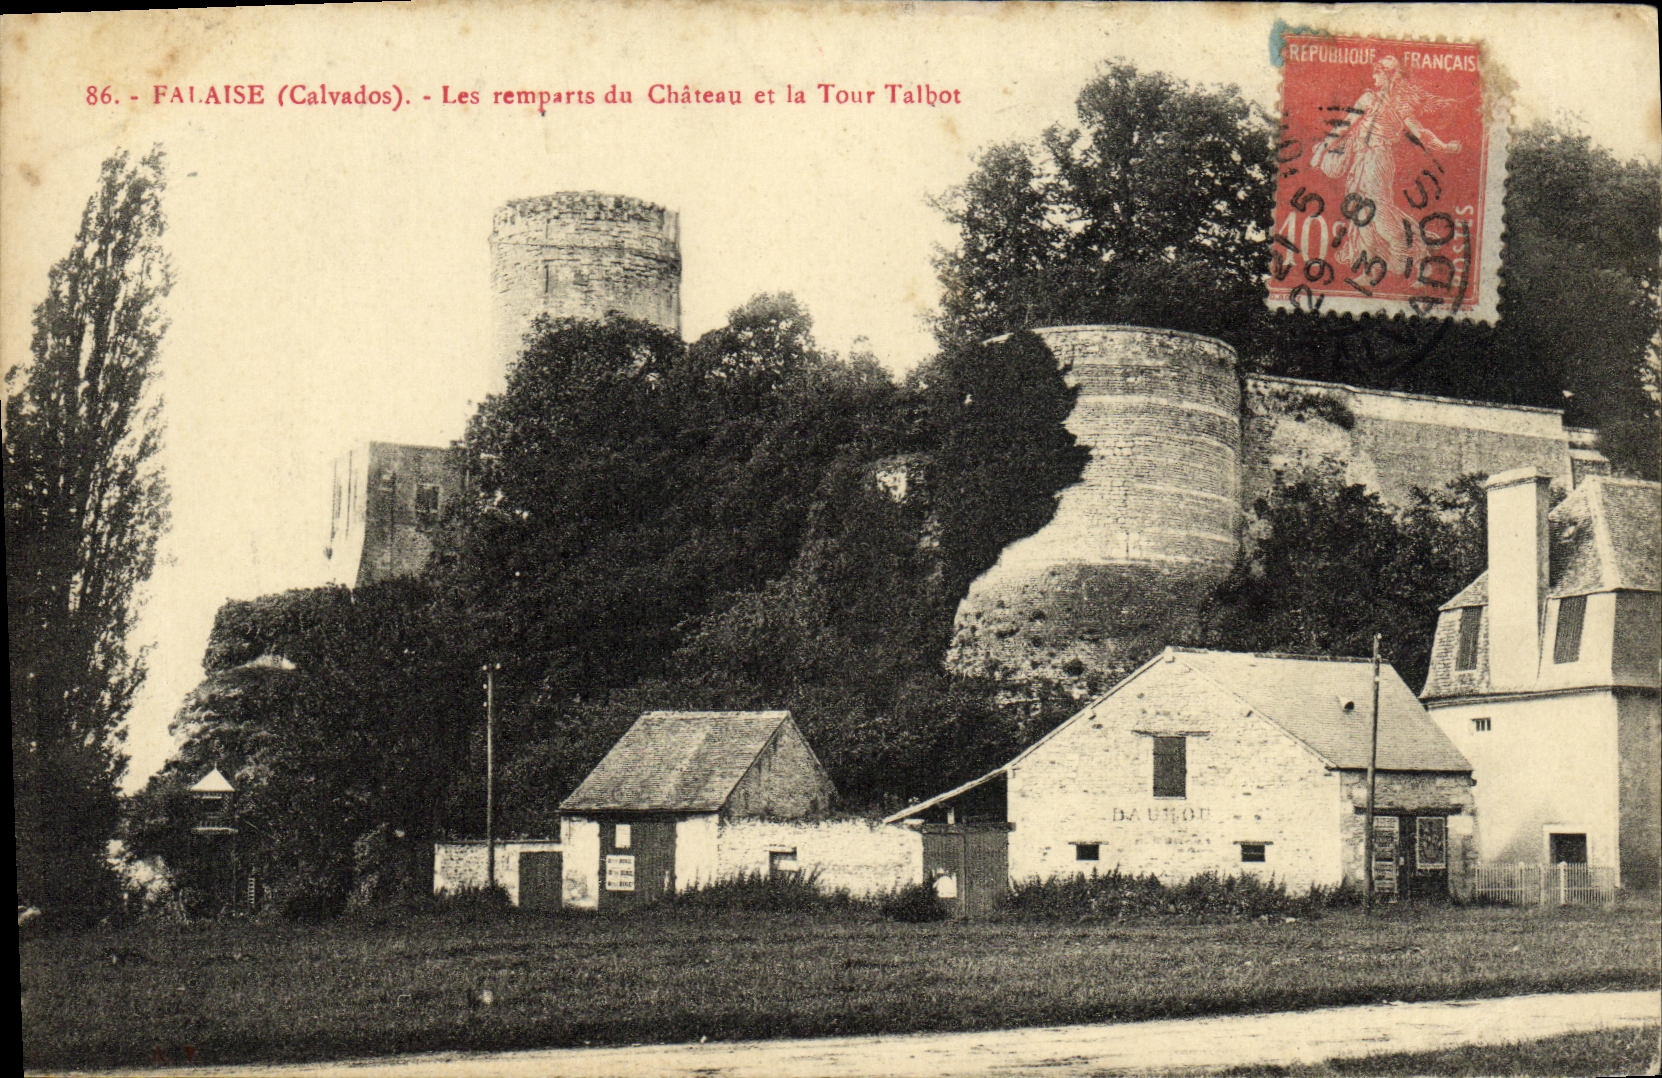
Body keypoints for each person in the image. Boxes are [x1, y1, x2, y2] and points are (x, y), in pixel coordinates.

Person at [1310, 55, 1462, 270]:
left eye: (1377, 72)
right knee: (1360, 212)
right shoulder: (1367, 98)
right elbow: (1345, 126)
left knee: (1378, 210)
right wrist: (1323, 148)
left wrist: (1444, 147)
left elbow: (1421, 133)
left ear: (1389, 76)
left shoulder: (1400, 106)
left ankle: (1403, 253)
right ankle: (1370, 266)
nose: (1373, 77)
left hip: (1378, 159)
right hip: (1360, 160)